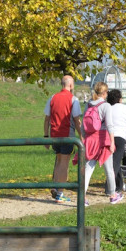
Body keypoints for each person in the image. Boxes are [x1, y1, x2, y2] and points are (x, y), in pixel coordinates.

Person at [81, 82, 123, 206]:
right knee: (109, 169)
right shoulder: (106, 106)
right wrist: (112, 142)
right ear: (105, 93)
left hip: (90, 140)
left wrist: (83, 139)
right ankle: (113, 195)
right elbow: (110, 125)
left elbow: (83, 124)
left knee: (88, 169)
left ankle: (82, 197)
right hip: (103, 139)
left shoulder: (88, 104)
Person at [43, 75, 82, 203]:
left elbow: (47, 119)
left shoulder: (52, 97)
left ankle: (55, 186)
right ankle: (60, 193)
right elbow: (77, 121)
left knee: (59, 160)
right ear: (70, 85)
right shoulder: (73, 99)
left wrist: (46, 136)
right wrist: (81, 136)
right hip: (67, 135)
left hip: (54, 135)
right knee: (64, 164)